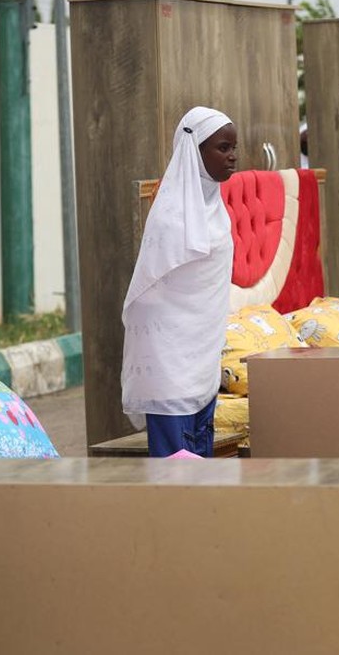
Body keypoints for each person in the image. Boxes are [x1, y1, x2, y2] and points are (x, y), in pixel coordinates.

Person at [122, 107, 237, 457]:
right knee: (175, 474)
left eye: (234, 147)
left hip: (202, 359)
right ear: (195, 152)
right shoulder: (171, 218)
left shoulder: (217, 210)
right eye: (222, 148)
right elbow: (149, 295)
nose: (233, 156)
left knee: (201, 468)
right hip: (170, 364)